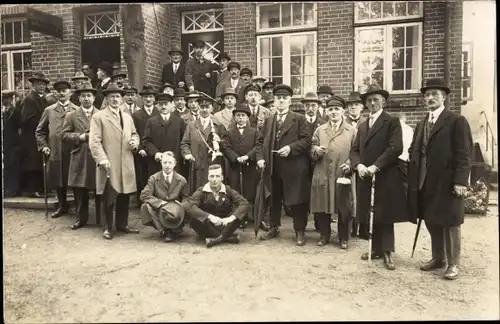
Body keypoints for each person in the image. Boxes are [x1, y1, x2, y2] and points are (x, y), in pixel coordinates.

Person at [407, 78, 473, 280]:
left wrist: (461, 181)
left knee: (451, 222)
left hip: (448, 181)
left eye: (434, 94)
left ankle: (453, 264)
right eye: (427, 95)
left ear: (443, 97)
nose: (430, 98)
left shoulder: (455, 121)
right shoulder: (421, 123)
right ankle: (438, 257)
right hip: (425, 181)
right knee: (431, 220)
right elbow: (414, 149)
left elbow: (464, 153)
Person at [350, 84, 410, 270]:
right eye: (369, 100)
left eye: (376, 99)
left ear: (383, 101)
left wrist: (376, 166)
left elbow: (395, 148)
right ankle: (374, 248)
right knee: (370, 212)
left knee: (385, 214)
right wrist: (358, 164)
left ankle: (387, 252)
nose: (372, 103)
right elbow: (355, 150)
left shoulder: (391, 122)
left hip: (385, 175)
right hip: (365, 175)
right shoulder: (362, 125)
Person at [256, 84, 312, 245]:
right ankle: (274, 227)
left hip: (294, 167)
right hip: (273, 166)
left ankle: (299, 230)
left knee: (297, 199)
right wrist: (260, 158)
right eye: (278, 98)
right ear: (274, 100)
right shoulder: (269, 120)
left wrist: (290, 148)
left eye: (284, 98)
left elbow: (307, 141)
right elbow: (259, 142)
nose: (281, 101)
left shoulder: (299, 119)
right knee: (274, 198)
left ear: (289, 101)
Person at [89, 83, 141, 240]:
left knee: (124, 194)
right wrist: (102, 158)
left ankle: (122, 224)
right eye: (111, 96)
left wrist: (134, 141)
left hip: (125, 161)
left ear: (122, 98)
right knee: (109, 195)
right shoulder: (99, 117)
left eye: (117, 96)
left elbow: (135, 134)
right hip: (109, 162)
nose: (115, 99)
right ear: (106, 99)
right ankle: (107, 227)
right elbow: (94, 141)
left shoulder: (126, 116)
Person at [310, 96, 356, 248]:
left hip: (342, 172)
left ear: (343, 111)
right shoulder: (320, 129)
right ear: (327, 112)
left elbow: (357, 152)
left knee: (344, 206)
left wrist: (350, 164)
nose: (334, 112)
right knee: (323, 205)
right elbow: (312, 148)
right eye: (330, 109)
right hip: (322, 170)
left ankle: (344, 238)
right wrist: (316, 150)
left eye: (337, 109)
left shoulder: (352, 130)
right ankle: (324, 235)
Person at [35, 79, 78, 218]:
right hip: (56, 150)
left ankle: (78, 206)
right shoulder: (49, 110)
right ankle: (62, 205)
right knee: (59, 178)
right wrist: (44, 146)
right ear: (55, 93)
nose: (62, 93)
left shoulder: (77, 110)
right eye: (59, 91)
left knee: (75, 178)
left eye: (64, 91)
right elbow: (40, 131)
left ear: (70, 93)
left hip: (73, 150)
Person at [61, 82, 101, 229]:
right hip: (80, 156)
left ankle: (100, 218)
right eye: (83, 96)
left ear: (94, 98)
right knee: (80, 189)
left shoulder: (101, 114)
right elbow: (63, 136)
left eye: (89, 95)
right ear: (78, 98)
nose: (86, 99)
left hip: (97, 156)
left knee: (99, 188)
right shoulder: (71, 116)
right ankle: (81, 218)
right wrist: (81, 137)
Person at [182, 164, 249, 248]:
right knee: (194, 218)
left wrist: (230, 218)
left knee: (240, 213)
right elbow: (187, 205)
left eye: (217, 176)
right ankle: (227, 238)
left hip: (225, 224)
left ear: (222, 178)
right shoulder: (202, 191)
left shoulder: (228, 190)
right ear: (208, 178)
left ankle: (217, 239)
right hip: (207, 226)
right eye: (212, 176)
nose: (214, 179)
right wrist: (209, 217)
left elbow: (244, 203)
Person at [220, 103, 261, 225]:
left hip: (250, 166)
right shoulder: (229, 132)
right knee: (236, 190)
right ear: (235, 117)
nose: (240, 118)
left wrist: (247, 156)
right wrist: (236, 158)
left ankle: (250, 216)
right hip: (235, 166)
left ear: (247, 117)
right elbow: (226, 147)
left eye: (243, 115)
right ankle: (239, 217)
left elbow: (258, 146)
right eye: (238, 115)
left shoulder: (254, 132)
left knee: (250, 190)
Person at [140, 151, 189, 242]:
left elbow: (187, 198)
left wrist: (181, 205)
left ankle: (175, 227)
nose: (167, 165)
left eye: (170, 163)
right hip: (160, 208)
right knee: (146, 206)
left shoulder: (181, 180)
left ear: (174, 164)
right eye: (165, 162)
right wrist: (159, 203)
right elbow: (144, 195)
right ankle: (164, 230)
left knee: (187, 208)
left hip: (174, 209)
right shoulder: (154, 178)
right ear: (161, 163)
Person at [181, 96, 224, 192]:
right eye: (202, 107)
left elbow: (226, 144)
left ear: (211, 108)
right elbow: (184, 143)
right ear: (198, 107)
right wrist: (187, 153)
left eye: (207, 107)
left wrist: (220, 141)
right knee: (197, 192)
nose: (204, 110)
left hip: (212, 165)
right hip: (196, 165)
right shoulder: (192, 125)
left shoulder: (218, 125)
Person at [20, 72, 50, 198]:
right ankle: (33, 189)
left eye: (43, 84)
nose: (42, 86)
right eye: (39, 84)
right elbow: (27, 119)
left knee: (39, 160)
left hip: (40, 134)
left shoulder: (43, 98)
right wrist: (43, 125)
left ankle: (41, 187)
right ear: (33, 85)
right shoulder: (29, 99)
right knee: (33, 161)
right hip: (31, 136)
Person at [143, 92, 186, 176]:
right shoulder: (152, 121)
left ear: (171, 105)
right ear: (157, 106)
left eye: (166, 104)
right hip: (157, 162)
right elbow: (146, 141)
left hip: (175, 161)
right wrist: (155, 153)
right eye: (161, 104)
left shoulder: (179, 121)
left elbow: (184, 140)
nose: (163, 107)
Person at [301, 92, 327, 232]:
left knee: (319, 193)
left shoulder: (323, 123)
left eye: (313, 105)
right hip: (302, 163)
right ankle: (302, 224)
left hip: (319, 163)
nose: (310, 108)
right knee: (303, 193)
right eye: (307, 105)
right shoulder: (299, 121)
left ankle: (319, 224)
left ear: (318, 106)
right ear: (303, 106)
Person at [344, 91, 368, 239]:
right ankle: (351, 228)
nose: (353, 107)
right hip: (347, 162)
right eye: (351, 105)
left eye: (356, 105)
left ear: (361, 107)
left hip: (363, 163)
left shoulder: (367, 122)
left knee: (362, 196)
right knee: (349, 197)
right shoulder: (343, 121)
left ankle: (364, 229)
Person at [132, 85, 161, 202]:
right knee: (143, 176)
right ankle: (143, 201)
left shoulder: (159, 113)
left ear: (154, 99)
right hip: (143, 152)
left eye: (150, 97)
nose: (148, 99)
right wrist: (140, 149)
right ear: (142, 99)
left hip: (157, 150)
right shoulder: (136, 115)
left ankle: (157, 199)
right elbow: (135, 133)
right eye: (145, 97)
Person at [2, 90, 22, 197]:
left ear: (11, 100)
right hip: (5, 143)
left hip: (14, 144)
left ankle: (14, 189)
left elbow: (20, 127)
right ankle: (7, 189)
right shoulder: (3, 112)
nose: (5, 101)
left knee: (13, 166)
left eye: (7, 99)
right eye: (4, 99)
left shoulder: (15, 111)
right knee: (7, 166)